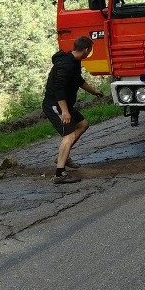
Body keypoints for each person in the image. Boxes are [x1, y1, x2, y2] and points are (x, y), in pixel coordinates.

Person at [42, 36, 104, 184]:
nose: (90, 52)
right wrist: (64, 111)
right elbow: (59, 90)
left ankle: (62, 157)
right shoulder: (65, 64)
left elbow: (78, 80)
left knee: (83, 124)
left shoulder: (75, 61)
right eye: (91, 50)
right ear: (86, 49)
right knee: (68, 135)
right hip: (55, 104)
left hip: (64, 104)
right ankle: (59, 174)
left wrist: (94, 91)